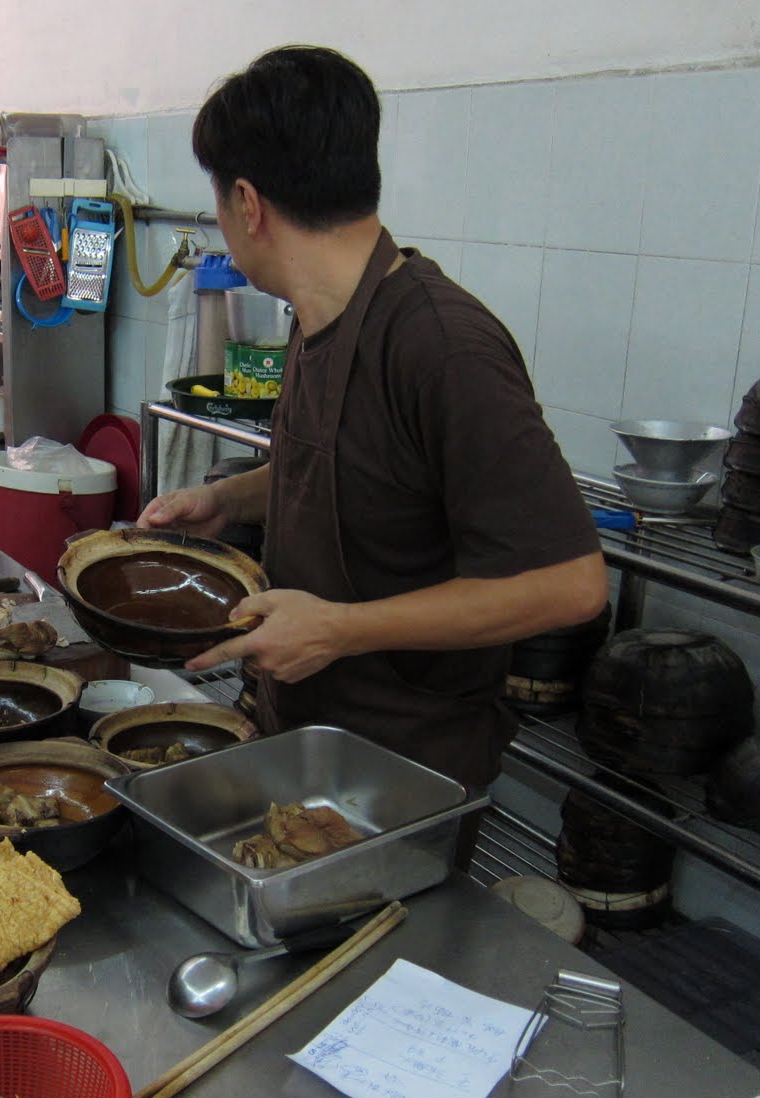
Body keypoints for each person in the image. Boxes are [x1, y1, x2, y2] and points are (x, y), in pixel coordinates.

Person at [139, 46, 608, 791]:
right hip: (305, 730)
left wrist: (337, 628)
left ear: (249, 206)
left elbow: (571, 583)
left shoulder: (441, 345)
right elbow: (350, 462)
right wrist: (228, 499)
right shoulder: (318, 314)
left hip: (404, 769)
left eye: (220, 203)